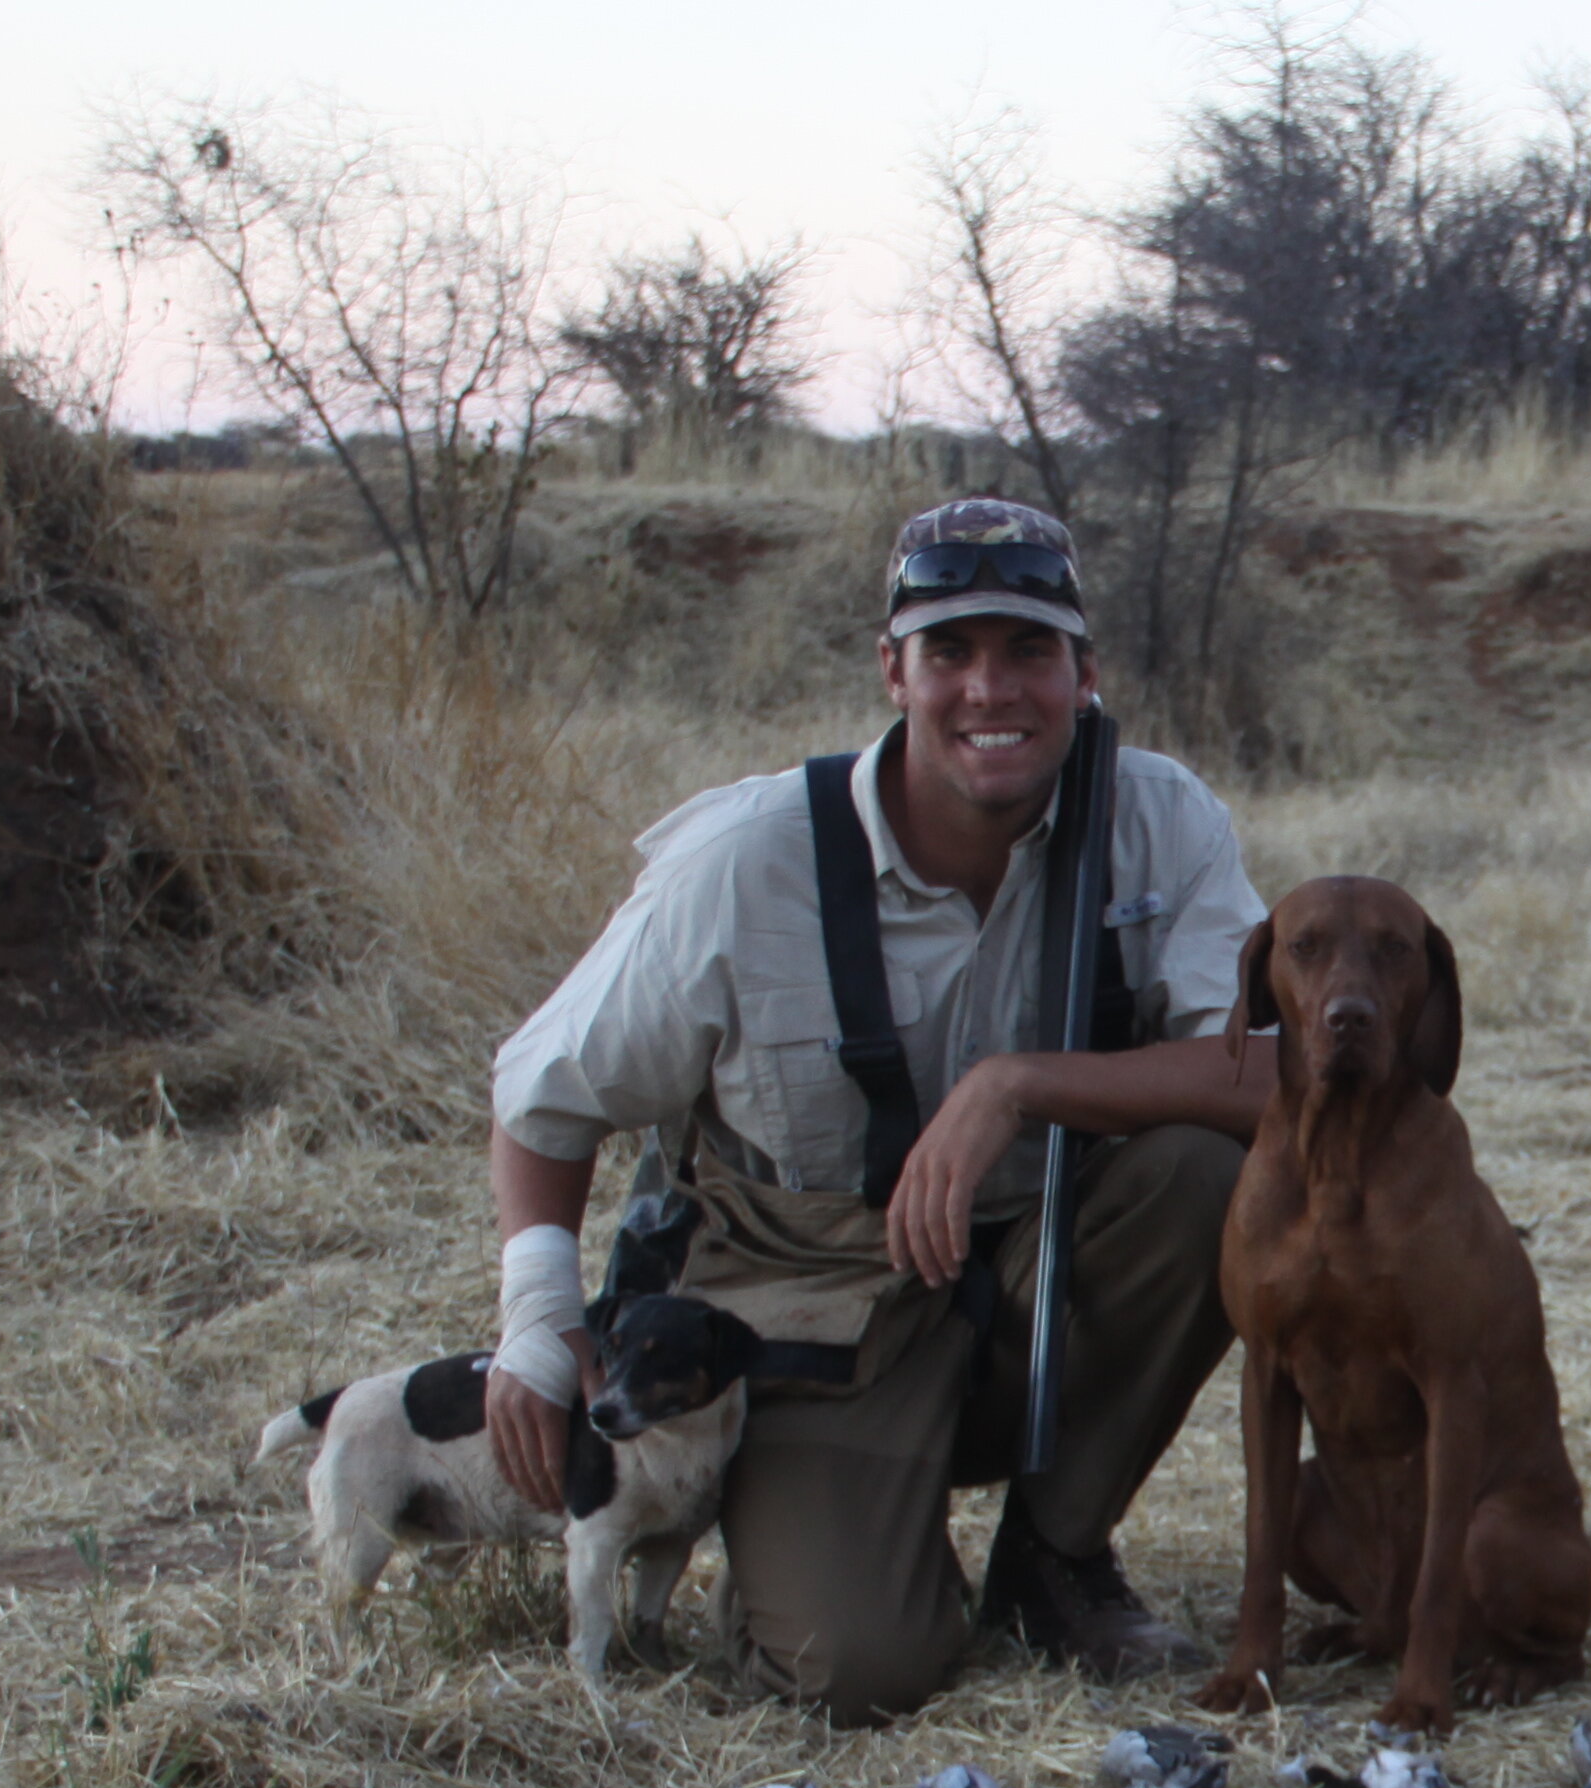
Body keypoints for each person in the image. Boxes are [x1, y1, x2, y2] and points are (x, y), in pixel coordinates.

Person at [482, 498, 1269, 1721]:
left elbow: (1270, 1076)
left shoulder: (1160, 820)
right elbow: (543, 1097)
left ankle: (1053, 1559)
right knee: (855, 1671)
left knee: (1209, 1175)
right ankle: (816, 1528)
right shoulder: (745, 862)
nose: (990, 691)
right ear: (892, 672)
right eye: (950, 653)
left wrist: (1015, 1087)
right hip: (807, 1293)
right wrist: (537, 1321)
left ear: (1087, 674)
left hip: (1031, 1259)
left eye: (1028, 653)